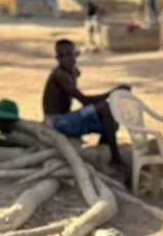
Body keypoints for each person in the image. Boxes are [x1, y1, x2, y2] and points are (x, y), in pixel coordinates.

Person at [42, 38, 128, 168]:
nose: (66, 59)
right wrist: (114, 92)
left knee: (111, 122)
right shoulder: (59, 75)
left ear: (75, 54)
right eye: (62, 56)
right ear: (57, 58)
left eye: (69, 55)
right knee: (104, 108)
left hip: (66, 118)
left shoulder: (72, 71)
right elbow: (84, 101)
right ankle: (115, 159)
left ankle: (102, 155)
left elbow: (77, 73)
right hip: (57, 122)